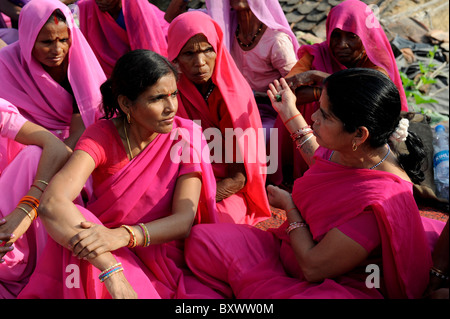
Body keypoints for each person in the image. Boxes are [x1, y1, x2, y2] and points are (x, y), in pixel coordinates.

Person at [185, 68, 438, 299]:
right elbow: (321, 160)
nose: (314, 117)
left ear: (359, 134)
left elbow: (313, 267)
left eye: (325, 116)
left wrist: (290, 206)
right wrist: (288, 111)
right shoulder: (357, 149)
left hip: (342, 282)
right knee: (200, 240)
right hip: (289, 249)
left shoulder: (379, 200)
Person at [18, 49, 219, 299]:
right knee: (77, 224)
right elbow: (51, 202)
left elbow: (183, 221)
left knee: (84, 240)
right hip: (102, 249)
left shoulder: (185, 136)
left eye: (174, 94)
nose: (171, 107)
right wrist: (112, 270)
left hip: (156, 250)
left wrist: (123, 236)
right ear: (126, 103)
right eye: (157, 99)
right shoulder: (102, 135)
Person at [273, 0, 409, 186]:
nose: (342, 44)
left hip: (359, 149)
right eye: (335, 36)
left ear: (364, 34)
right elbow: (285, 91)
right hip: (313, 135)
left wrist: (319, 77)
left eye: (351, 36)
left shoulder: (376, 61)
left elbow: (370, 96)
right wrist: (324, 89)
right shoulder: (318, 54)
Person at [167, 11, 271, 225]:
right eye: (188, 54)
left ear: (218, 49)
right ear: (175, 56)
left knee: (207, 224)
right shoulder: (170, 91)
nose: (200, 62)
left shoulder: (232, 98)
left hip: (227, 188)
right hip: (180, 182)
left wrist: (196, 201)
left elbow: (238, 178)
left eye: (207, 51)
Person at [0, 0, 105, 152]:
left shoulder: (78, 67)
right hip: (20, 145)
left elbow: (83, 126)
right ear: (27, 38)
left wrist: (53, 156)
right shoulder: (6, 64)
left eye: (63, 40)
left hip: (71, 147)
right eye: (47, 42)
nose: (57, 50)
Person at [0, 98, 71, 298]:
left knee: (34, 156)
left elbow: (57, 148)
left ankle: (46, 272)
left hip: (16, 216)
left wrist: (26, 209)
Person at [206, 0, 299, 141]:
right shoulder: (226, 30)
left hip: (271, 114)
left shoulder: (276, 41)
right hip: (234, 111)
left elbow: (297, 86)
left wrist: (259, 96)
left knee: (248, 139)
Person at [76, 0, 169, 78]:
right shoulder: (87, 7)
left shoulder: (136, 6)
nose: (102, 1)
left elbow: (149, 52)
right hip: (113, 73)